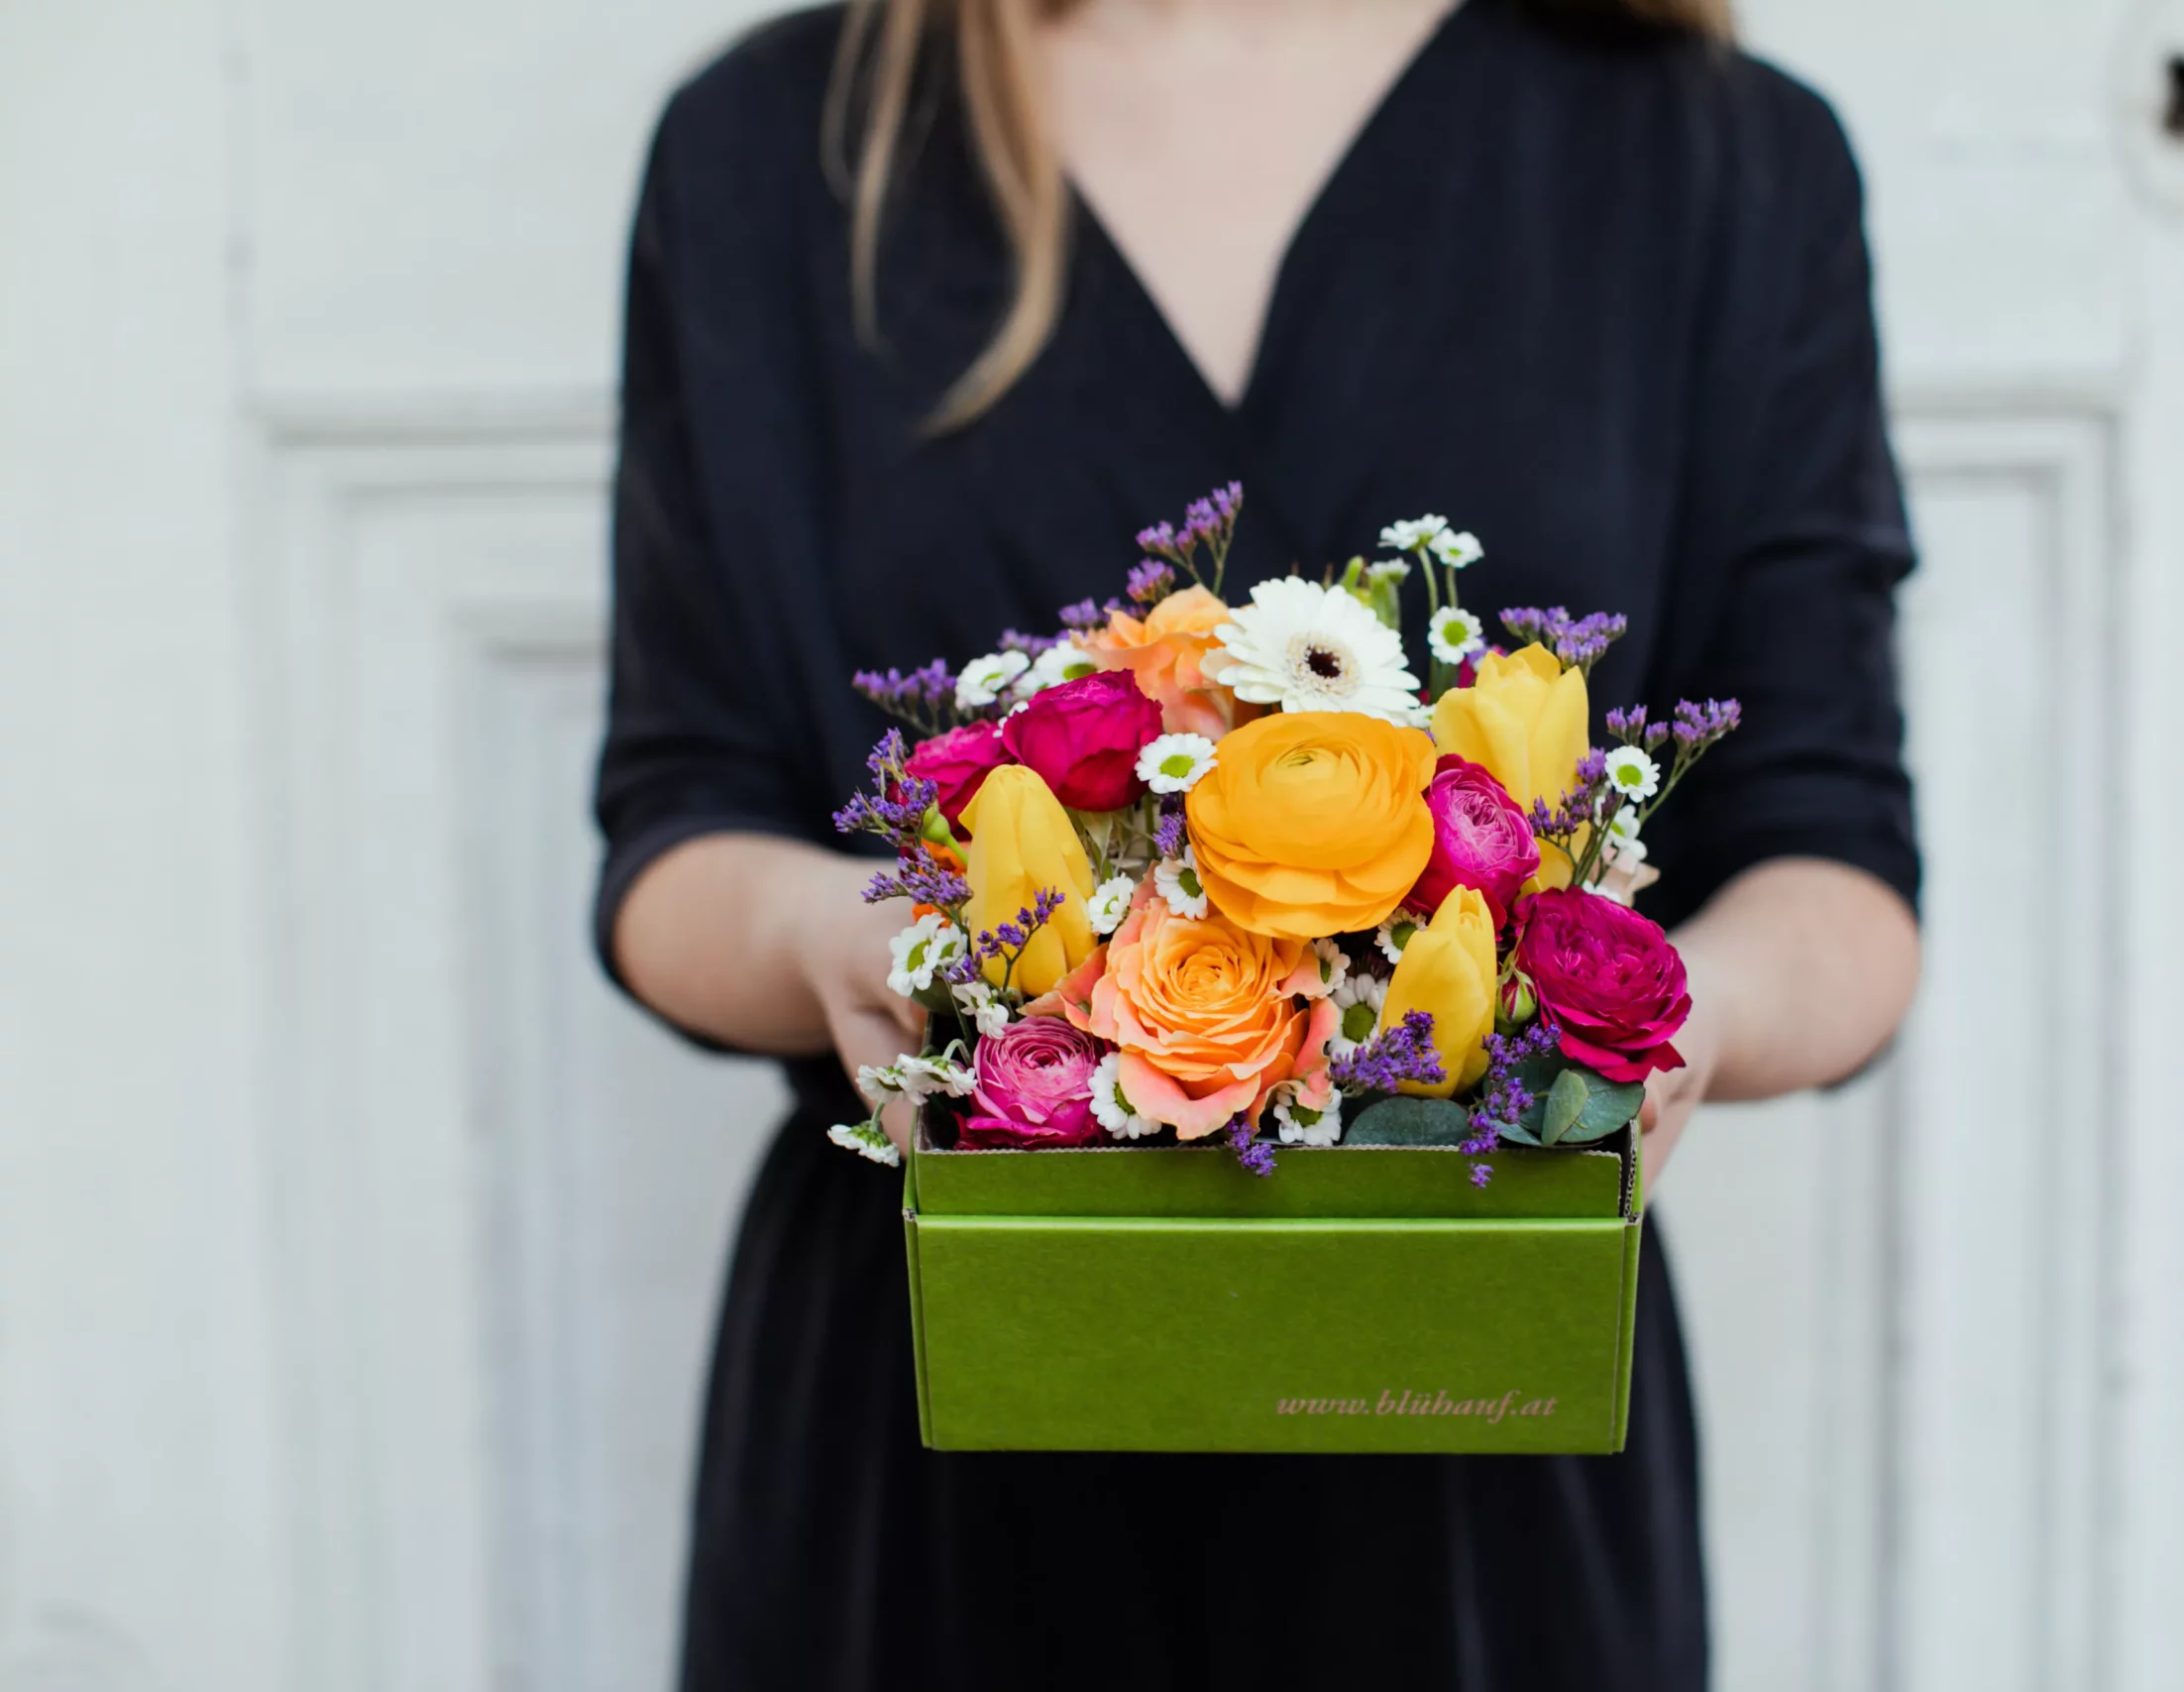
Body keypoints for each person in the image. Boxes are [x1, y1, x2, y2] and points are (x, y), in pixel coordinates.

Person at [594, 0, 1920, 1683]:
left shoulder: (1717, 154)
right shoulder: (779, 144)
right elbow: (675, 826)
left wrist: (1666, 1011)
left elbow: (1839, 862)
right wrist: (859, 946)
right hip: (931, 1441)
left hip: (1473, 1443)